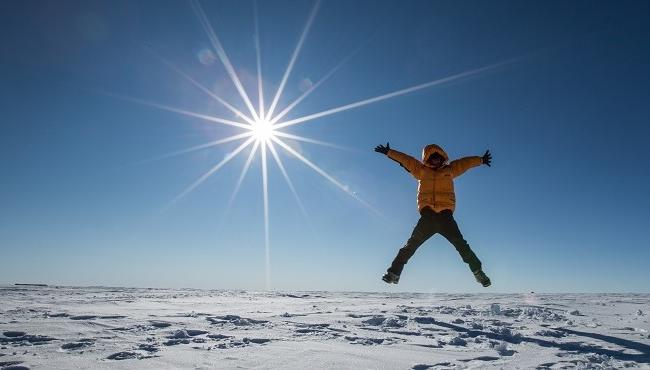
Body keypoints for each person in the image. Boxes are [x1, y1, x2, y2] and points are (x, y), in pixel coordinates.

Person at [374, 142, 492, 287]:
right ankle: (393, 273)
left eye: (438, 158)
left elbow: (464, 163)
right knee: (411, 245)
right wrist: (389, 152)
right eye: (433, 158)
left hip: (445, 216)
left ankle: (478, 273)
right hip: (428, 215)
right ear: (428, 159)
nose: (436, 161)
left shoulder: (450, 170)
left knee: (462, 245)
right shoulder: (421, 170)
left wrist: (480, 160)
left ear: (442, 158)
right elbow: (407, 160)